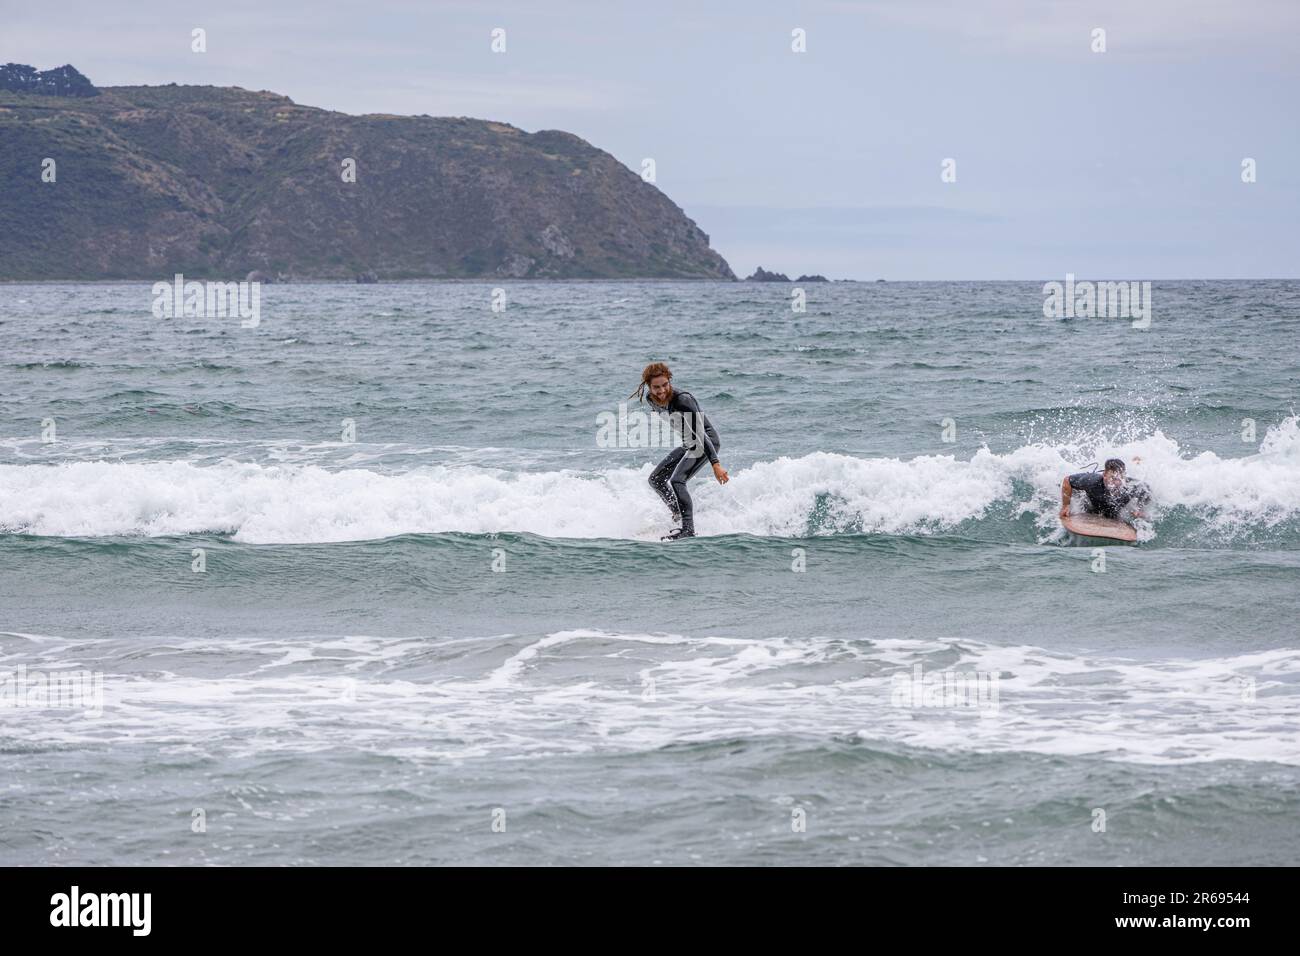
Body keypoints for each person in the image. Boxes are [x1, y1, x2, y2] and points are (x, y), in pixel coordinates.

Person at [630, 362, 729, 539]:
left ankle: (688, 530)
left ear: (670, 381)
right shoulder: (650, 399)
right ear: (648, 386)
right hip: (689, 443)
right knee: (656, 479)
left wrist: (716, 464)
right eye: (656, 387)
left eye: (665, 385)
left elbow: (701, 435)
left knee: (677, 481)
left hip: (706, 441)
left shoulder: (683, 400)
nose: (661, 390)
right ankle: (678, 516)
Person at [1059, 458, 1150, 523]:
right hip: (1090, 504)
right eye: (1113, 478)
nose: (1116, 483)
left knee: (1113, 514)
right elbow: (1068, 480)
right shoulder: (1092, 482)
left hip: (1113, 512)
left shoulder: (1130, 486)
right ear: (1104, 475)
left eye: (1120, 478)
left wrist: (1140, 509)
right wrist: (1066, 505)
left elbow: (1146, 490)